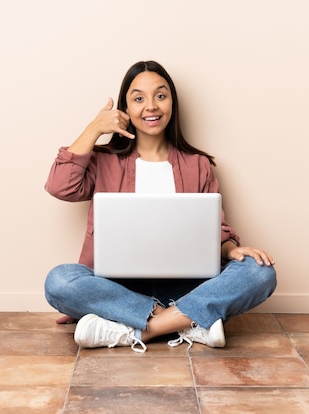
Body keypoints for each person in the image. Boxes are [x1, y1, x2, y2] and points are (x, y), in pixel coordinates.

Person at [44, 60, 276, 353]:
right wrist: (93, 129)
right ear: (126, 110)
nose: (151, 106)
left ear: (172, 103)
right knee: (59, 281)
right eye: (138, 98)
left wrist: (233, 250)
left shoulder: (198, 165)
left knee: (260, 271)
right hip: (118, 288)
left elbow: (213, 232)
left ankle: (136, 330)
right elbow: (60, 185)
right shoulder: (103, 161)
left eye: (161, 95)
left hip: (188, 286)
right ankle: (189, 322)